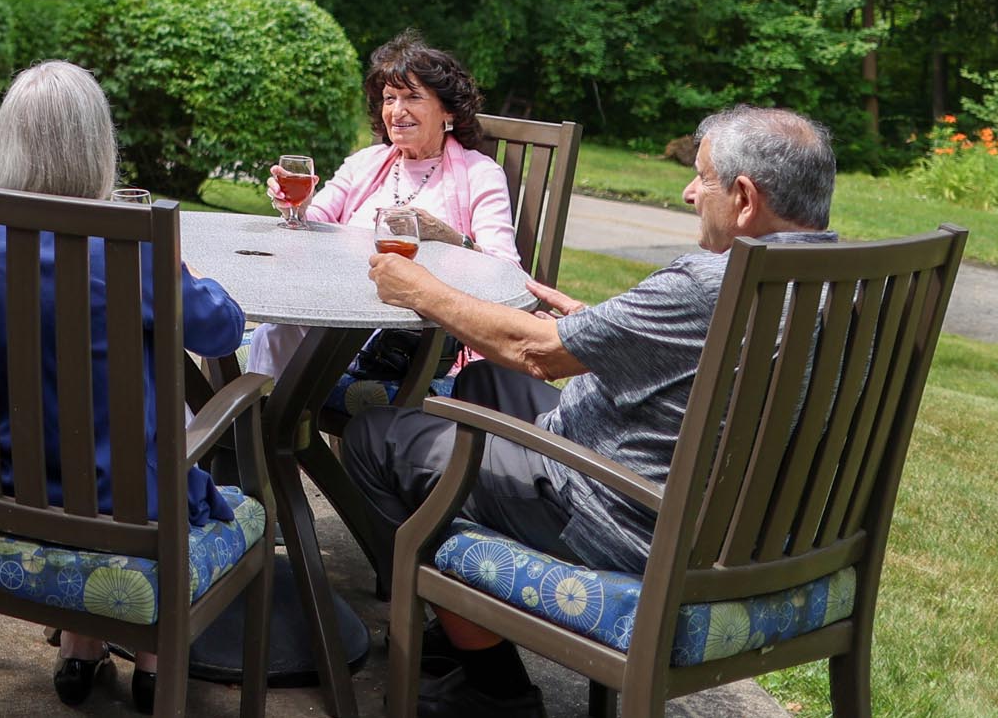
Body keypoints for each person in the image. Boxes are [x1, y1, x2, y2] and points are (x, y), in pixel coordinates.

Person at [345, 105, 839, 718]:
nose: (689, 192)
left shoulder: (715, 283)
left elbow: (537, 353)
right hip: (757, 529)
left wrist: (417, 287)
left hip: (629, 517)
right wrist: (598, 324)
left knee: (376, 437)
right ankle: (460, 630)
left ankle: (493, 687)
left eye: (702, 178)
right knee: (480, 381)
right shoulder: (849, 286)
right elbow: (700, 361)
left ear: (743, 198)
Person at [0, 61, 249, 714]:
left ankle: (83, 644)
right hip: (120, 508)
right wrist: (183, 265)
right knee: (141, 420)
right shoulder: (132, 248)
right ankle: (151, 654)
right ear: (99, 148)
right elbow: (223, 330)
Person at [246, 31, 520, 379]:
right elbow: (311, 224)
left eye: (412, 97)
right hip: (336, 312)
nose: (396, 110)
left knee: (271, 336)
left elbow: (506, 273)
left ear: (447, 110)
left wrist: (449, 236)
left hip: (410, 342)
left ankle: (260, 428)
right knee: (270, 332)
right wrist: (295, 208)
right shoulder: (366, 162)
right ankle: (266, 429)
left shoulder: (480, 174)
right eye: (389, 98)